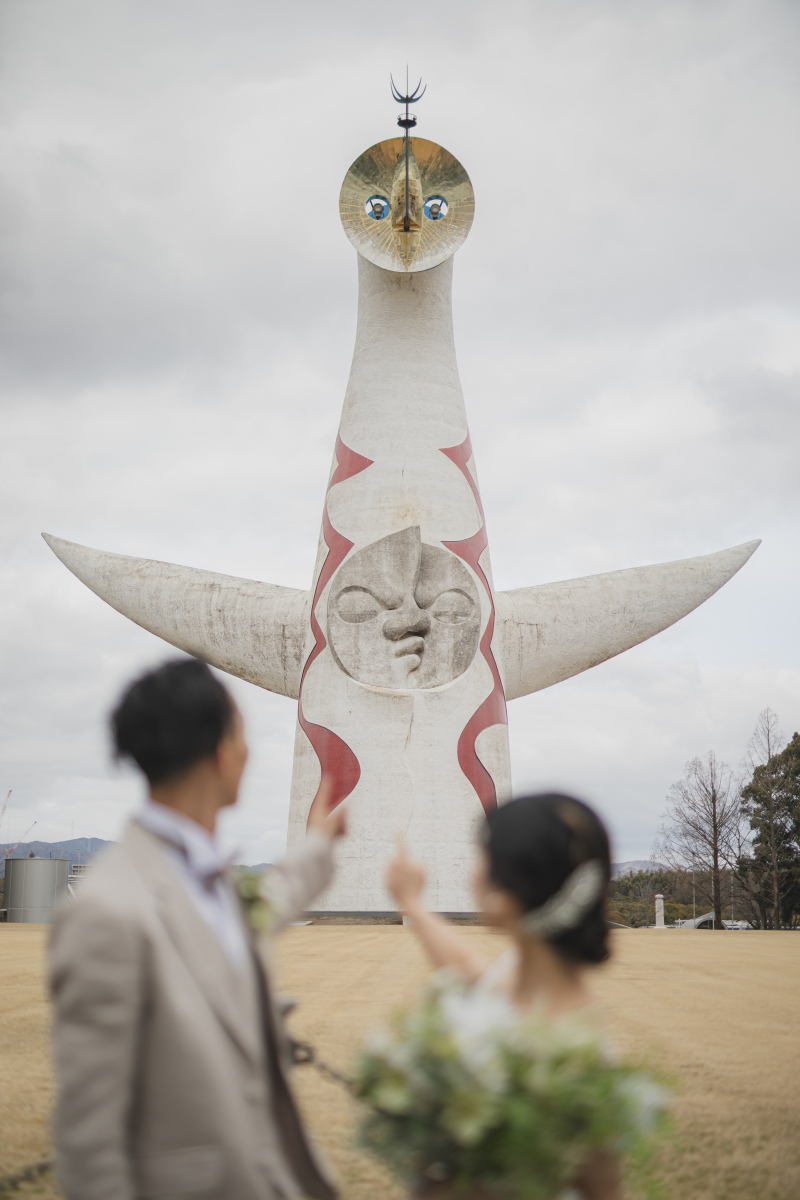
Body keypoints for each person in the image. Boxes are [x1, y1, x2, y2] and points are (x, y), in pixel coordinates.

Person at [50, 658, 343, 1200]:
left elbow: (262, 911)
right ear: (221, 751)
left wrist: (319, 846)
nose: (248, 752)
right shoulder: (105, 910)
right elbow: (89, 1135)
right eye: (243, 735)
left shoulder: (207, 881)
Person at [386, 792, 621, 1200]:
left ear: (509, 890)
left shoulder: (571, 1058)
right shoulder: (527, 977)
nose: (472, 871)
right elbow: (474, 972)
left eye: (481, 857)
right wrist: (412, 904)